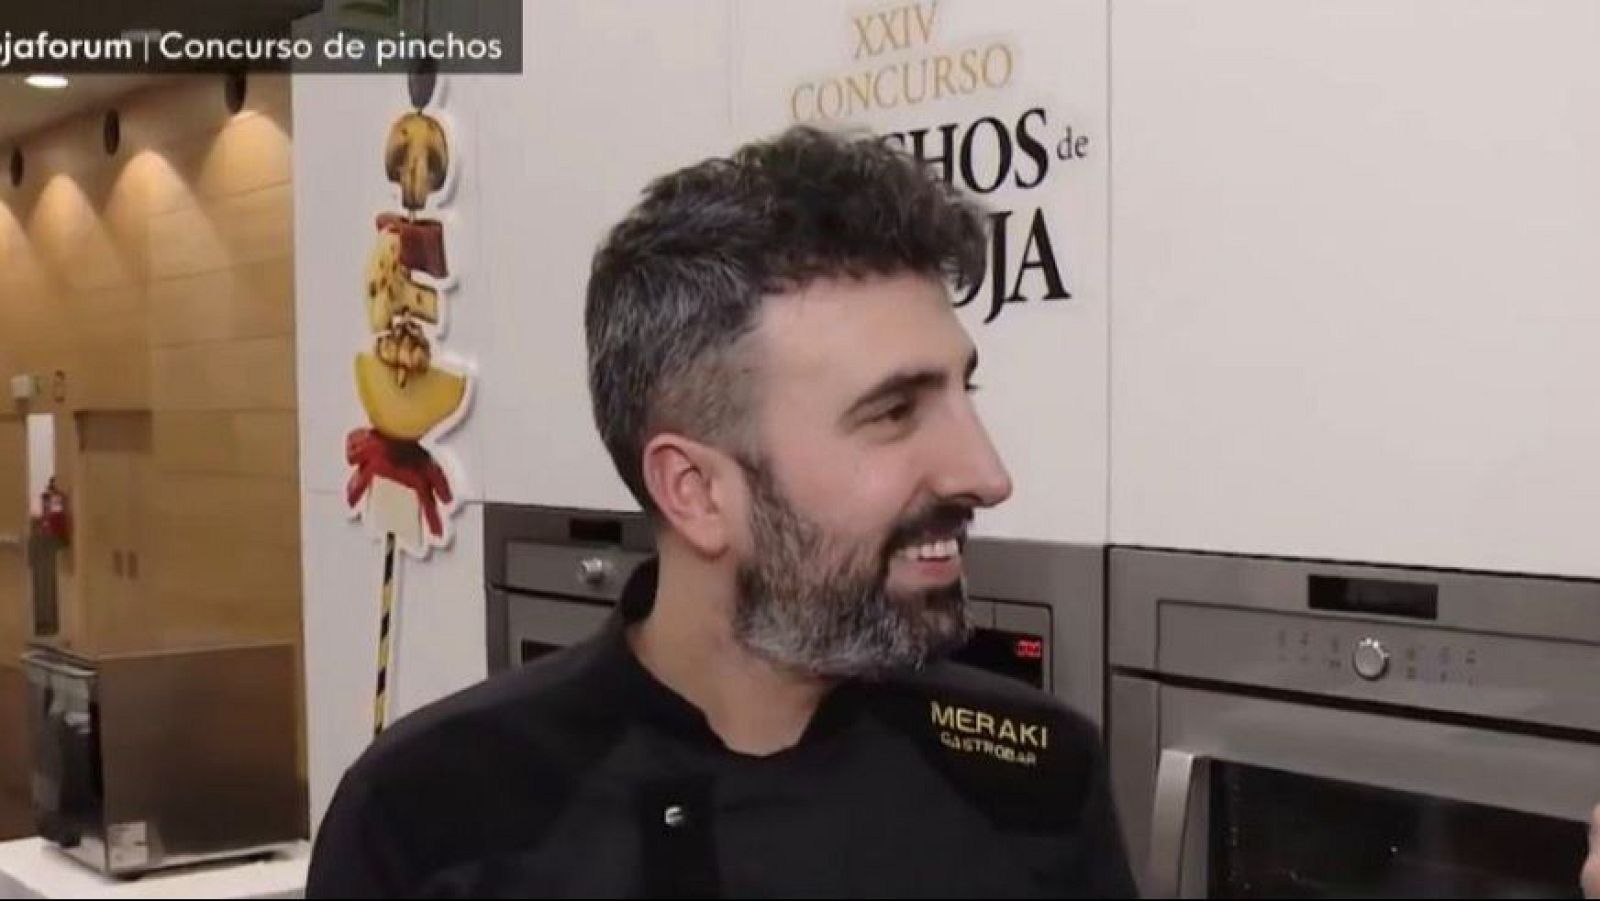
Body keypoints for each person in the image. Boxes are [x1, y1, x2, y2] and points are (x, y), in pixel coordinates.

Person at [306, 125, 1138, 898]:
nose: (987, 474)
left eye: (967, 389)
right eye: (892, 413)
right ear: (696, 492)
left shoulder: (1034, 776)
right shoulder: (427, 818)